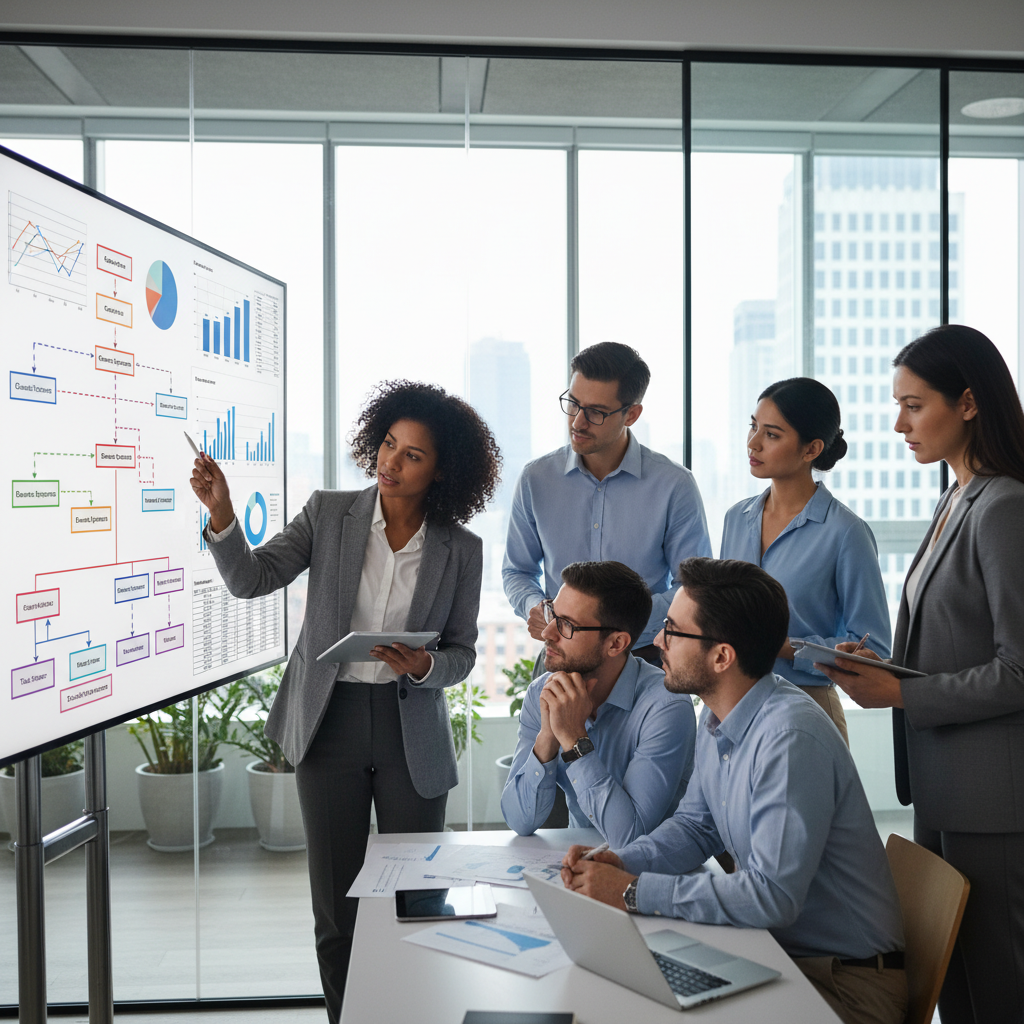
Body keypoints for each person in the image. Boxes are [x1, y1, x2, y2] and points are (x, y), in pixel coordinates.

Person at [190, 379, 500, 1024]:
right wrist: (222, 513)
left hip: (407, 728)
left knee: (417, 898)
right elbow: (253, 579)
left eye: (413, 455)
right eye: (389, 444)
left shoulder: (461, 550)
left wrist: (426, 664)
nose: (391, 462)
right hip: (327, 725)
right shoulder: (330, 513)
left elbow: (465, 653)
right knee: (336, 908)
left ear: (443, 471)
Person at [563, 557, 907, 1024]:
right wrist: (623, 861)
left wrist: (632, 891)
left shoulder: (789, 737)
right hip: (778, 956)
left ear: (722, 656)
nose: (657, 641)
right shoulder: (718, 714)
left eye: (672, 630)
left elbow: (771, 896)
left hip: (843, 983)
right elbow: (694, 828)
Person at [819, 324, 1024, 1024]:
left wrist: (902, 691)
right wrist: (889, 667)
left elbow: (1020, 671)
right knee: (952, 994)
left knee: (995, 993)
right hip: (944, 790)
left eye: (913, 404)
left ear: (968, 403)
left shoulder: (1004, 508)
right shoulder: (954, 499)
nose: (897, 422)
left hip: (995, 806)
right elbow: (961, 644)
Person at [503, 342, 711, 667]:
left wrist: (620, 623)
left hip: (644, 661)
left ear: (632, 414)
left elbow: (692, 587)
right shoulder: (536, 479)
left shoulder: (674, 485)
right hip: (560, 656)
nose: (578, 421)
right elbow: (517, 570)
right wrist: (537, 605)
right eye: (573, 403)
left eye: (596, 412)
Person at [720, 377, 890, 743]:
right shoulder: (736, 518)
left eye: (772, 434)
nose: (753, 443)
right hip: (734, 704)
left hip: (808, 708)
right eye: (753, 426)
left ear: (811, 448)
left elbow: (873, 650)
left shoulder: (846, 532)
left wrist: (782, 647)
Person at [501, 560, 696, 846]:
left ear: (616, 643)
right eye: (552, 614)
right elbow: (520, 821)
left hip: (654, 875)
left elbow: (629, 837)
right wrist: (547, 736)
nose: (547, 632)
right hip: (576, 864)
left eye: (567, 625)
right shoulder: (543, 691)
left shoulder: (666, 706)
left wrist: (573, 737)